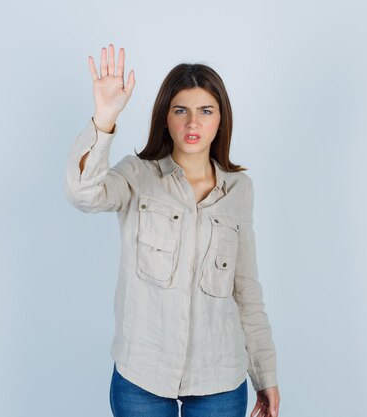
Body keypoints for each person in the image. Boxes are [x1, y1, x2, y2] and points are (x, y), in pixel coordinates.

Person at [65, 43, 280, 417]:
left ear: (220, 120)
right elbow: (83, 194)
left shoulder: (239, 190)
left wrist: (265, 374)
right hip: (142, 376)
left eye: (205, 111)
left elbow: (246, 291)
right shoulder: (137, 175)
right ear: (165, 117)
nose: (192, 123)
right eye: (181, 110)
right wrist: (104, 119)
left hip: (219, 379)